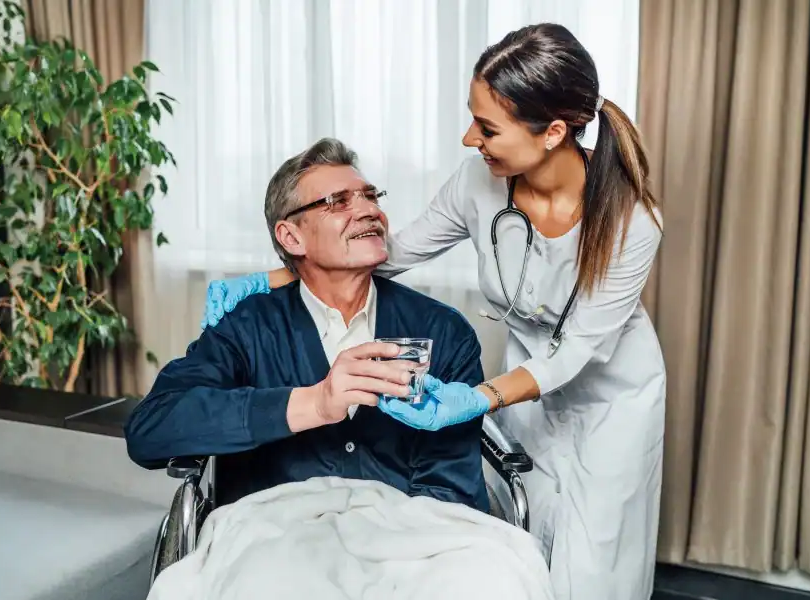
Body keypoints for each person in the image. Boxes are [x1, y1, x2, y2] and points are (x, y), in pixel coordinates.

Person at [201, 23, 665, 600]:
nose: (471, 139)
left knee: (598, 557)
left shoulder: (632, 219)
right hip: (525, 376)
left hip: (609, 389)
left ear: (552, 132)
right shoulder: (479, 182)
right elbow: (390, 253)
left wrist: (479, 397)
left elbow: (578, 351)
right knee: (531, 531)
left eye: (487, 128)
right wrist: (274, 276)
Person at [124, 137, 491, 513]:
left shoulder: (443, 331)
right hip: (276, 536)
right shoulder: (246, 327)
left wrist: (385, 541)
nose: (369, 211)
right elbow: (151, 429)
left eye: (370, 196)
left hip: (410, 536)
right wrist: (313, 404)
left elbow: (450, 486)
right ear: (291, 236)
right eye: (339, 201)